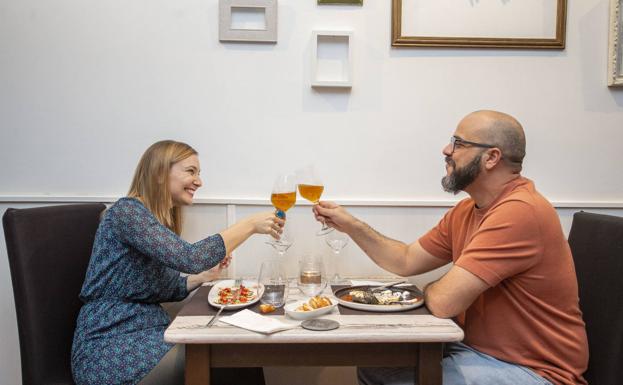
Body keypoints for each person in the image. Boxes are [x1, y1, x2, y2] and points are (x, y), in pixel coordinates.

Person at [313, 111, 588, 385]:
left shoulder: (520, 211)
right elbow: (406, 260)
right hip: (478, 352)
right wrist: (350, 225)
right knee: (377, 366)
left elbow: (444, 303)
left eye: (459, 143)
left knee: (395, 379)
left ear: (491, 157)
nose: (447, 150)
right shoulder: (468, 210)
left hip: (534, 371)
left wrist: (431, 289)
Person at [71, 140, 284, 385]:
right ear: (160, 173)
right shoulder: (127, 212)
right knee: (231, 353)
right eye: (191, 171)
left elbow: (164, 288)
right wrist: (249, 225)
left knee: (237, 354)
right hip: (111, 347)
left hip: (148, 335)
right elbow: (191, 258)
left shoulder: (149, 220)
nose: (199, 181)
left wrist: (203, 277)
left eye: (199, 173)